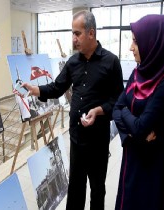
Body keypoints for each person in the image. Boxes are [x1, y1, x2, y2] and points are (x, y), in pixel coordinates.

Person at [22, 10, 124, 210]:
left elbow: (119, 101)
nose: (74, 38)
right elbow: (57, 88)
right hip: (77, 137)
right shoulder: (72, 62)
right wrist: (36, 90)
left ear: (91, 33)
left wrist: (99, 111)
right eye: (73, 33)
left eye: (77, 33)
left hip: (98, 141)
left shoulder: (111, 62)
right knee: (76, 187)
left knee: (97, 189)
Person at [112, 14, 164, 210]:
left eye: (136, 41)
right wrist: (130, 135)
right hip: (132, 155)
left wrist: (130, 121)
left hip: (150, 167)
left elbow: (139, 126)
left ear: (155, 42)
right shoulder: (139, 73)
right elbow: (116, 107)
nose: (131, 47)